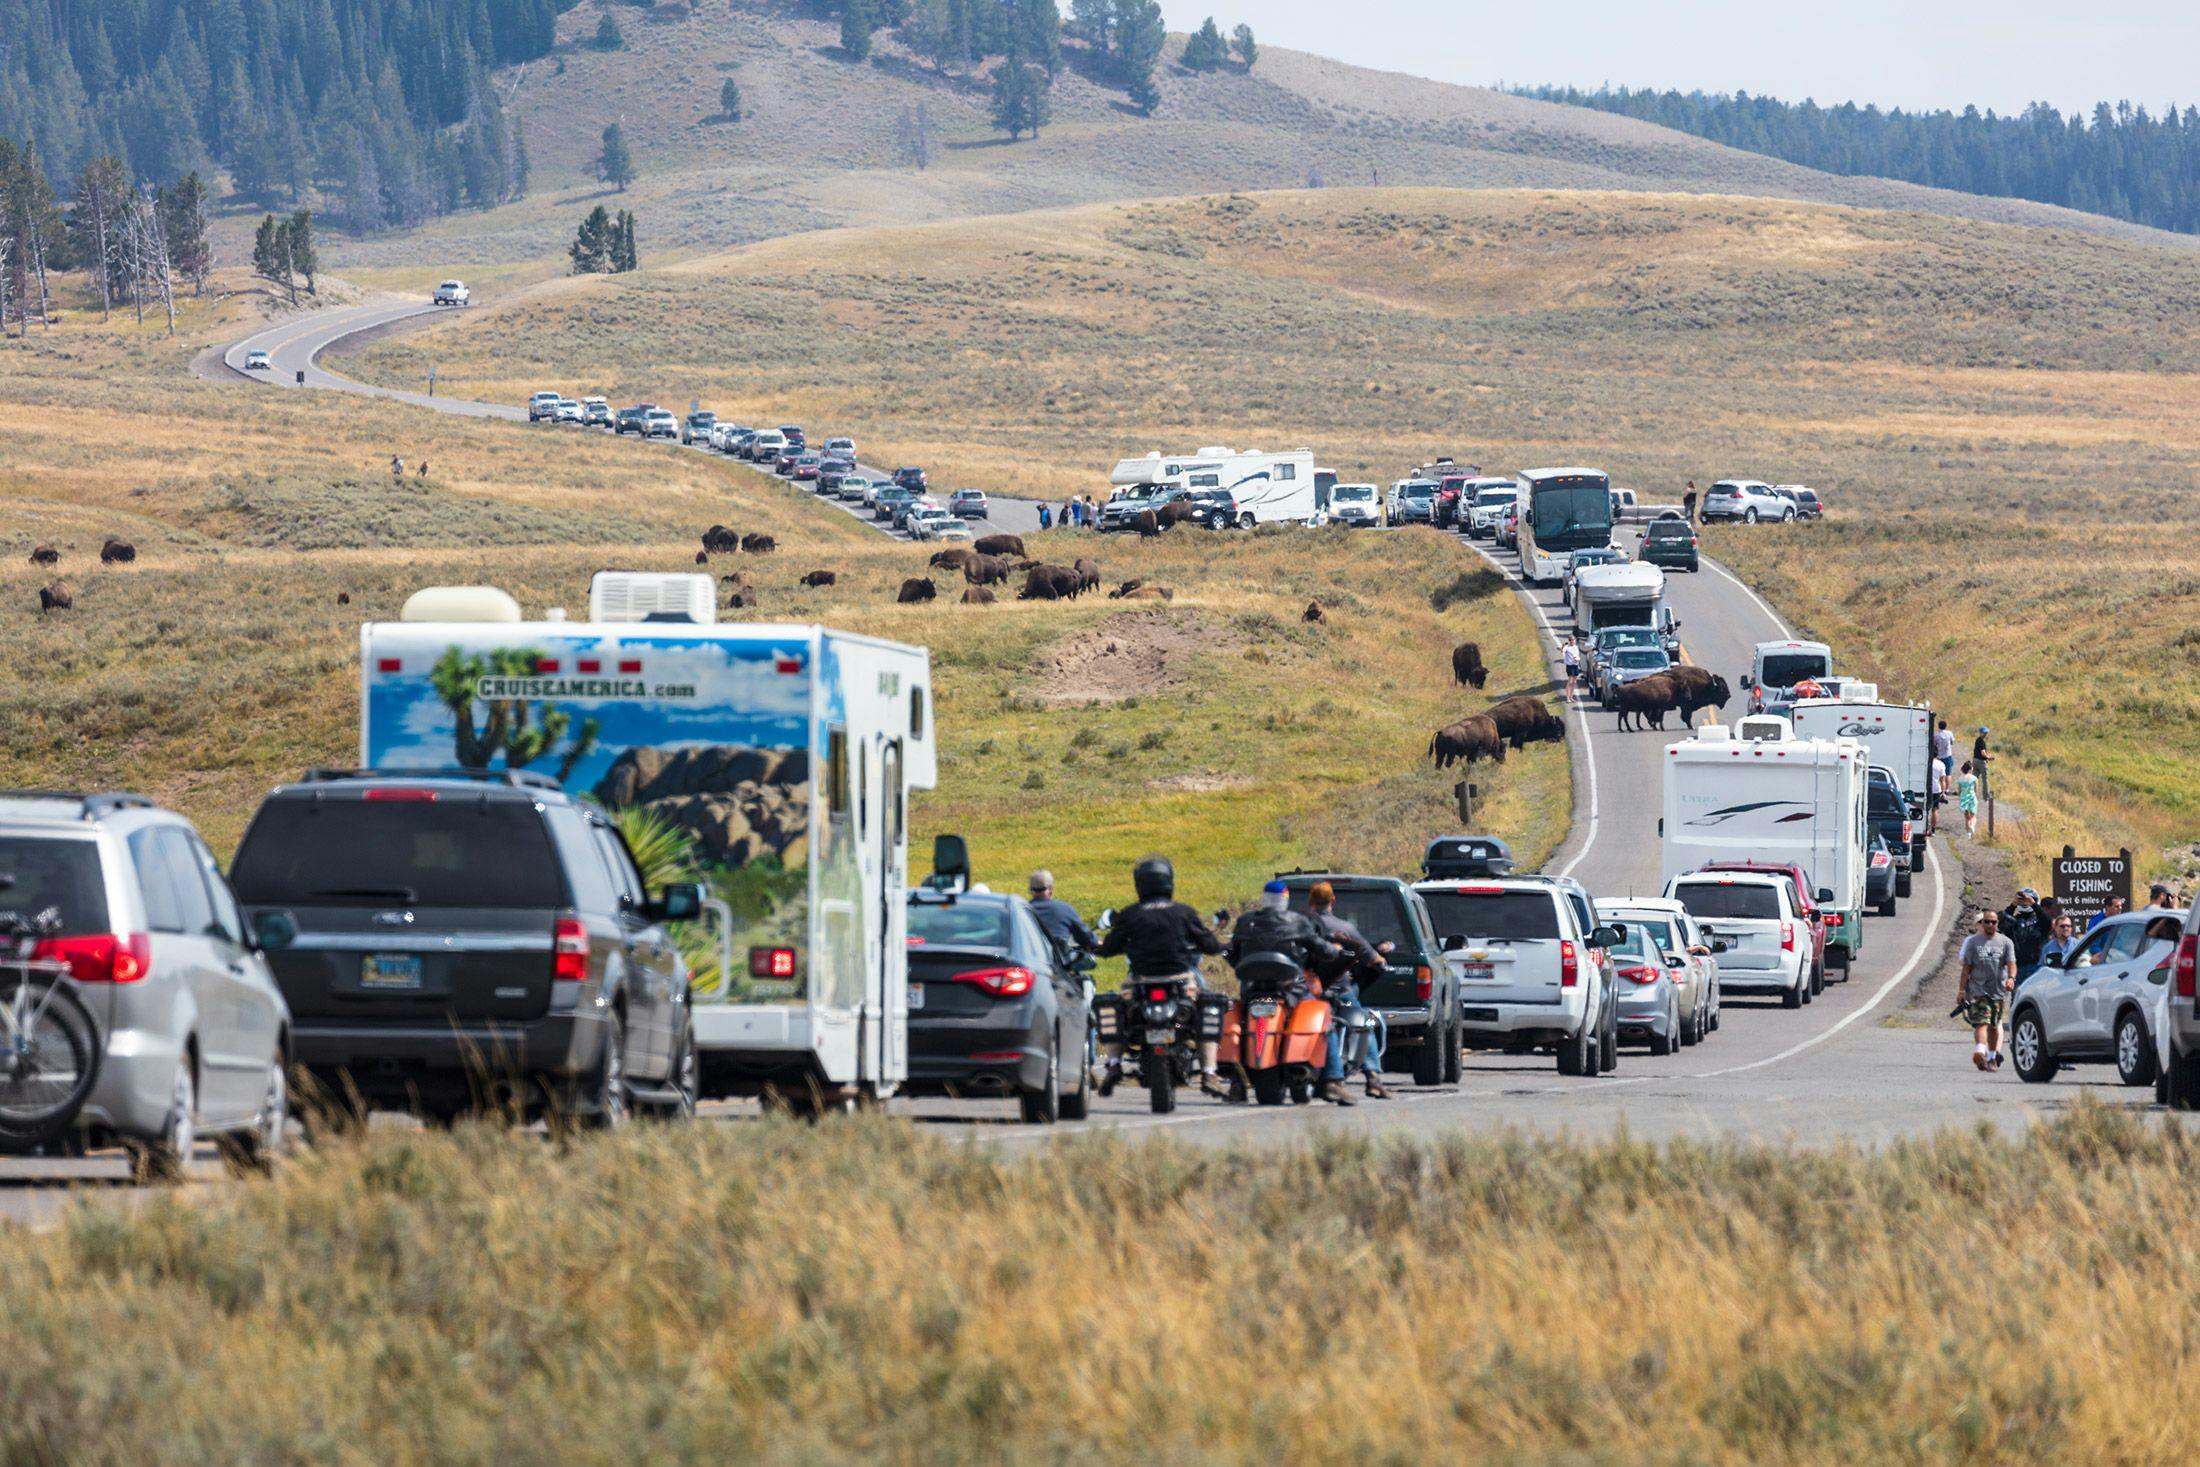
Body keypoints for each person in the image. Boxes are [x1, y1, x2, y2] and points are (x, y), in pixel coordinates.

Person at [1094, 856, 1228, 1098]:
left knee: (1115, 1008)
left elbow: (1109, 948)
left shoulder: (1130, 914)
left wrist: (1098, 947)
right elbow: (1208, 943)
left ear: (1139, 884)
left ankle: (1113, 1066)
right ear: (1169, 882)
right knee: (1207, 1005)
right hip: (1180, 979)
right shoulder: (1183, 912)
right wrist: (1218, 945)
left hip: (1139, 981)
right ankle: (1209, 1072)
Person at [1224, 882, 1353, 1105]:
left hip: (1253, 990)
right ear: (1285, 899)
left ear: (1263, 898)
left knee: (1241, 1022)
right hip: (1290, 989)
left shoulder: (1246, 921)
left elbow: (1232, 954)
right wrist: (1335, 951)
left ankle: (1237, 1081)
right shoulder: (1298, 921)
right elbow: (1323, 950)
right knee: (1325, 1020)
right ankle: (1333, 1080)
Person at [1305, 881, 1391, 1099]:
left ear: (1310, 901)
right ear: (1333, 901)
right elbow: (1371, 957)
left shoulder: (1304, 927)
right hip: (1341, 991)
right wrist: (1381, 959)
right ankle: (1373, 1078)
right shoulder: (1346, 929)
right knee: (1362, 1024)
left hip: (1310, 992)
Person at [1957, 909, 2018, 1072]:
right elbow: (1966, 968)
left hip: (1998, 990)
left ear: (1997, 924)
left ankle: (1991, 1058)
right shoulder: (1973, 942)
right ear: (1982, 923)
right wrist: (1962, 991)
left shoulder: (2006, 942)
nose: (1990, 924)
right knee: (1982, 1022)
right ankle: (1979, 1050)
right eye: (1987, 922)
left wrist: (2011, 978)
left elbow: (2012, 963)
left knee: (1994, 1025)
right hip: (1977, 990)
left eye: (1993, 922)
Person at [1026, 870, 1096, 954]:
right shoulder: (1065, 909)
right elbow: (1085, 937)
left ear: (1030, 890)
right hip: (1058, 964)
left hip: (1028, 962)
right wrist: (1096, 942)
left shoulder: (1022, 911)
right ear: (1051, 889)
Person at [2000, 888, 2048, 972]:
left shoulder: (2040, 922)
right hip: (2015, 965)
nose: (2025, 902)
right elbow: (2001, 922)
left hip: (2036, 964)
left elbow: (2048, 921)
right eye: (2022, 900)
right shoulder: (2012, 920)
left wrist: (2033, 904)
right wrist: (2013, 905)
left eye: (2028, 899)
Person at [1955, 760, 1980, 839]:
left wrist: (1960, 796)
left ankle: (1968, 833)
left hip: (1964, 799)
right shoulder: (1974, 778)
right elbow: (1976, 790)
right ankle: (1972, 826)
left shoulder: (1960, 779)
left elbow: (1959, 791)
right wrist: (1976, 798)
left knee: (1966, 817)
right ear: (1970, 769)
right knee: (1973, 816)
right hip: (1972, 798)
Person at [1933, 720, 1956, 798]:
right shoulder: (1949, 733)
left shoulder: (1936, 735)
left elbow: (1934, 744)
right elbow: (1952, 742)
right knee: (1948, 773)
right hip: (1948, 755)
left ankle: (1940, 789)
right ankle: (1947, 789)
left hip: (1939, 756)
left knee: (1940, 774)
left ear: (1939, 726)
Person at [1561, 635, 1582, 702]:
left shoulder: (1576, 647)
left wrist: (1578, 659)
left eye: (1573, 640)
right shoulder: (1567, 647)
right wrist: (1563, 646)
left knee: (1574, 682)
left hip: (1575, 665)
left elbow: (1577, 655)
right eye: (1571, 640)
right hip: (1570, 666)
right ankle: (1567, 698)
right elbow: (1562, 651)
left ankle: (1571, 697)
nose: (1572, 641)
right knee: (1570, 682)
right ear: (1569, 641)